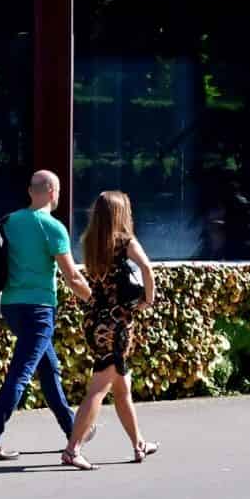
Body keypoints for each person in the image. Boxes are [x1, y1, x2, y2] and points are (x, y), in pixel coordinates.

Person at [0, 170, 92, 460]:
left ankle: (74, 429)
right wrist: (95, 300)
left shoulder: (11, 221)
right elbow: (72, 276)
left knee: (49, 370)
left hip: (12, 306)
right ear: (53, 192)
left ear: (31, 191)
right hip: (38, 310)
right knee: (21, 374)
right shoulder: (52, 227)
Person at [62, 190, 159, 470]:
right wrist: (147, 301)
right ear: (121, 213)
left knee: (121, 388)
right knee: (100, 388)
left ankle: (138, 443)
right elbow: (147, 269)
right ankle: (73, 449)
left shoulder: (90, 242)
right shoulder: (126, 241)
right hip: (118, 325)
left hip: (96, 320)